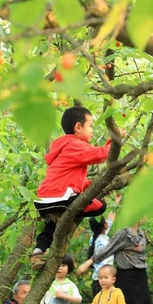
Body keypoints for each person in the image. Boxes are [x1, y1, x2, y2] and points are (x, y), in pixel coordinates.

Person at [30, 106, 125, 271]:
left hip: (45, 201)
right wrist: (115, 140)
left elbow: (75, 182)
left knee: (50, 228)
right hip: (61, 198)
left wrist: (91, 184)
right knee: (100, 205)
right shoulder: (74, 144)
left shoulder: (63, 147)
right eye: (91, 126)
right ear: (78, 127)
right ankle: (68, 219)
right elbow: (102, 154)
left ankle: (37, 253)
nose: (93, 130)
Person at [77, 219, 153, 304]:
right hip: (126, 276)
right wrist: (88, 263)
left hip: (141, 276)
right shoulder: (122, 234)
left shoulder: (141, 234)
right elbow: (106, 250)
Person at [87, 209, 116, 295]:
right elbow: (101, 265)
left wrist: (116, 204)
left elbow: (110, 220)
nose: (108, 222)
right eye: (105, 221)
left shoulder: (96, 236)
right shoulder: (102, 243)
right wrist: (106, 281)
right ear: (104, 225)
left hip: (101, 280)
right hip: (103, 283)